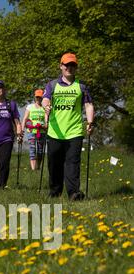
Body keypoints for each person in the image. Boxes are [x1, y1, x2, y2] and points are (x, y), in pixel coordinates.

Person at [42, 52, 94, 200]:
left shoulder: (81, 86)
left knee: (72, 163)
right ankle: (55, 191)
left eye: (72, 65)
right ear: (61, 66)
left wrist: (90, 123)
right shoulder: (52, 85)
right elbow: (45, 99)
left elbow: (88, 105)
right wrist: (46, 107)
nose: (69, 67)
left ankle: (73, 193)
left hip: (74, 131)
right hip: (55, 132)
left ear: (75, 67)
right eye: (66, 65)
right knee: (54, 164)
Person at [21, 89, 47, 171]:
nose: (38, 99)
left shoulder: (45, 108)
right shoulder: (30, 107)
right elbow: (25, 118)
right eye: (37, 97)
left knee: (40, 150)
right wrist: (22, 130)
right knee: (32, 149)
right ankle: (33, 169)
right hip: (31, 131)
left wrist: (45, 126)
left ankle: (38, 167)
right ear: (35, 97)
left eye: (40, 97)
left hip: (41, 132)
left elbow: (47, 121)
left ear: (43, 98)